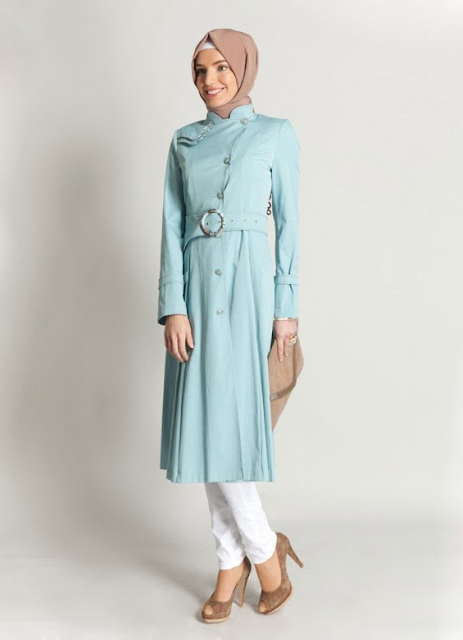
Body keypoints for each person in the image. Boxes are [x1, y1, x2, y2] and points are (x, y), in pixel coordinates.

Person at [157, 28, 304, 622]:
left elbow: (290, 224)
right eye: (200, 70)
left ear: (243, 68)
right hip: (195, 292)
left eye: (220, 67)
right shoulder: (183, 142)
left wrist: (286, 308)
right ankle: (245, 557)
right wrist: (173, 304)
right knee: (204, 430)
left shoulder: (274, 134)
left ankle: (251, 555)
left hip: (248, 291)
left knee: (231, 431)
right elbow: (171, 224)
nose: (210, 80)